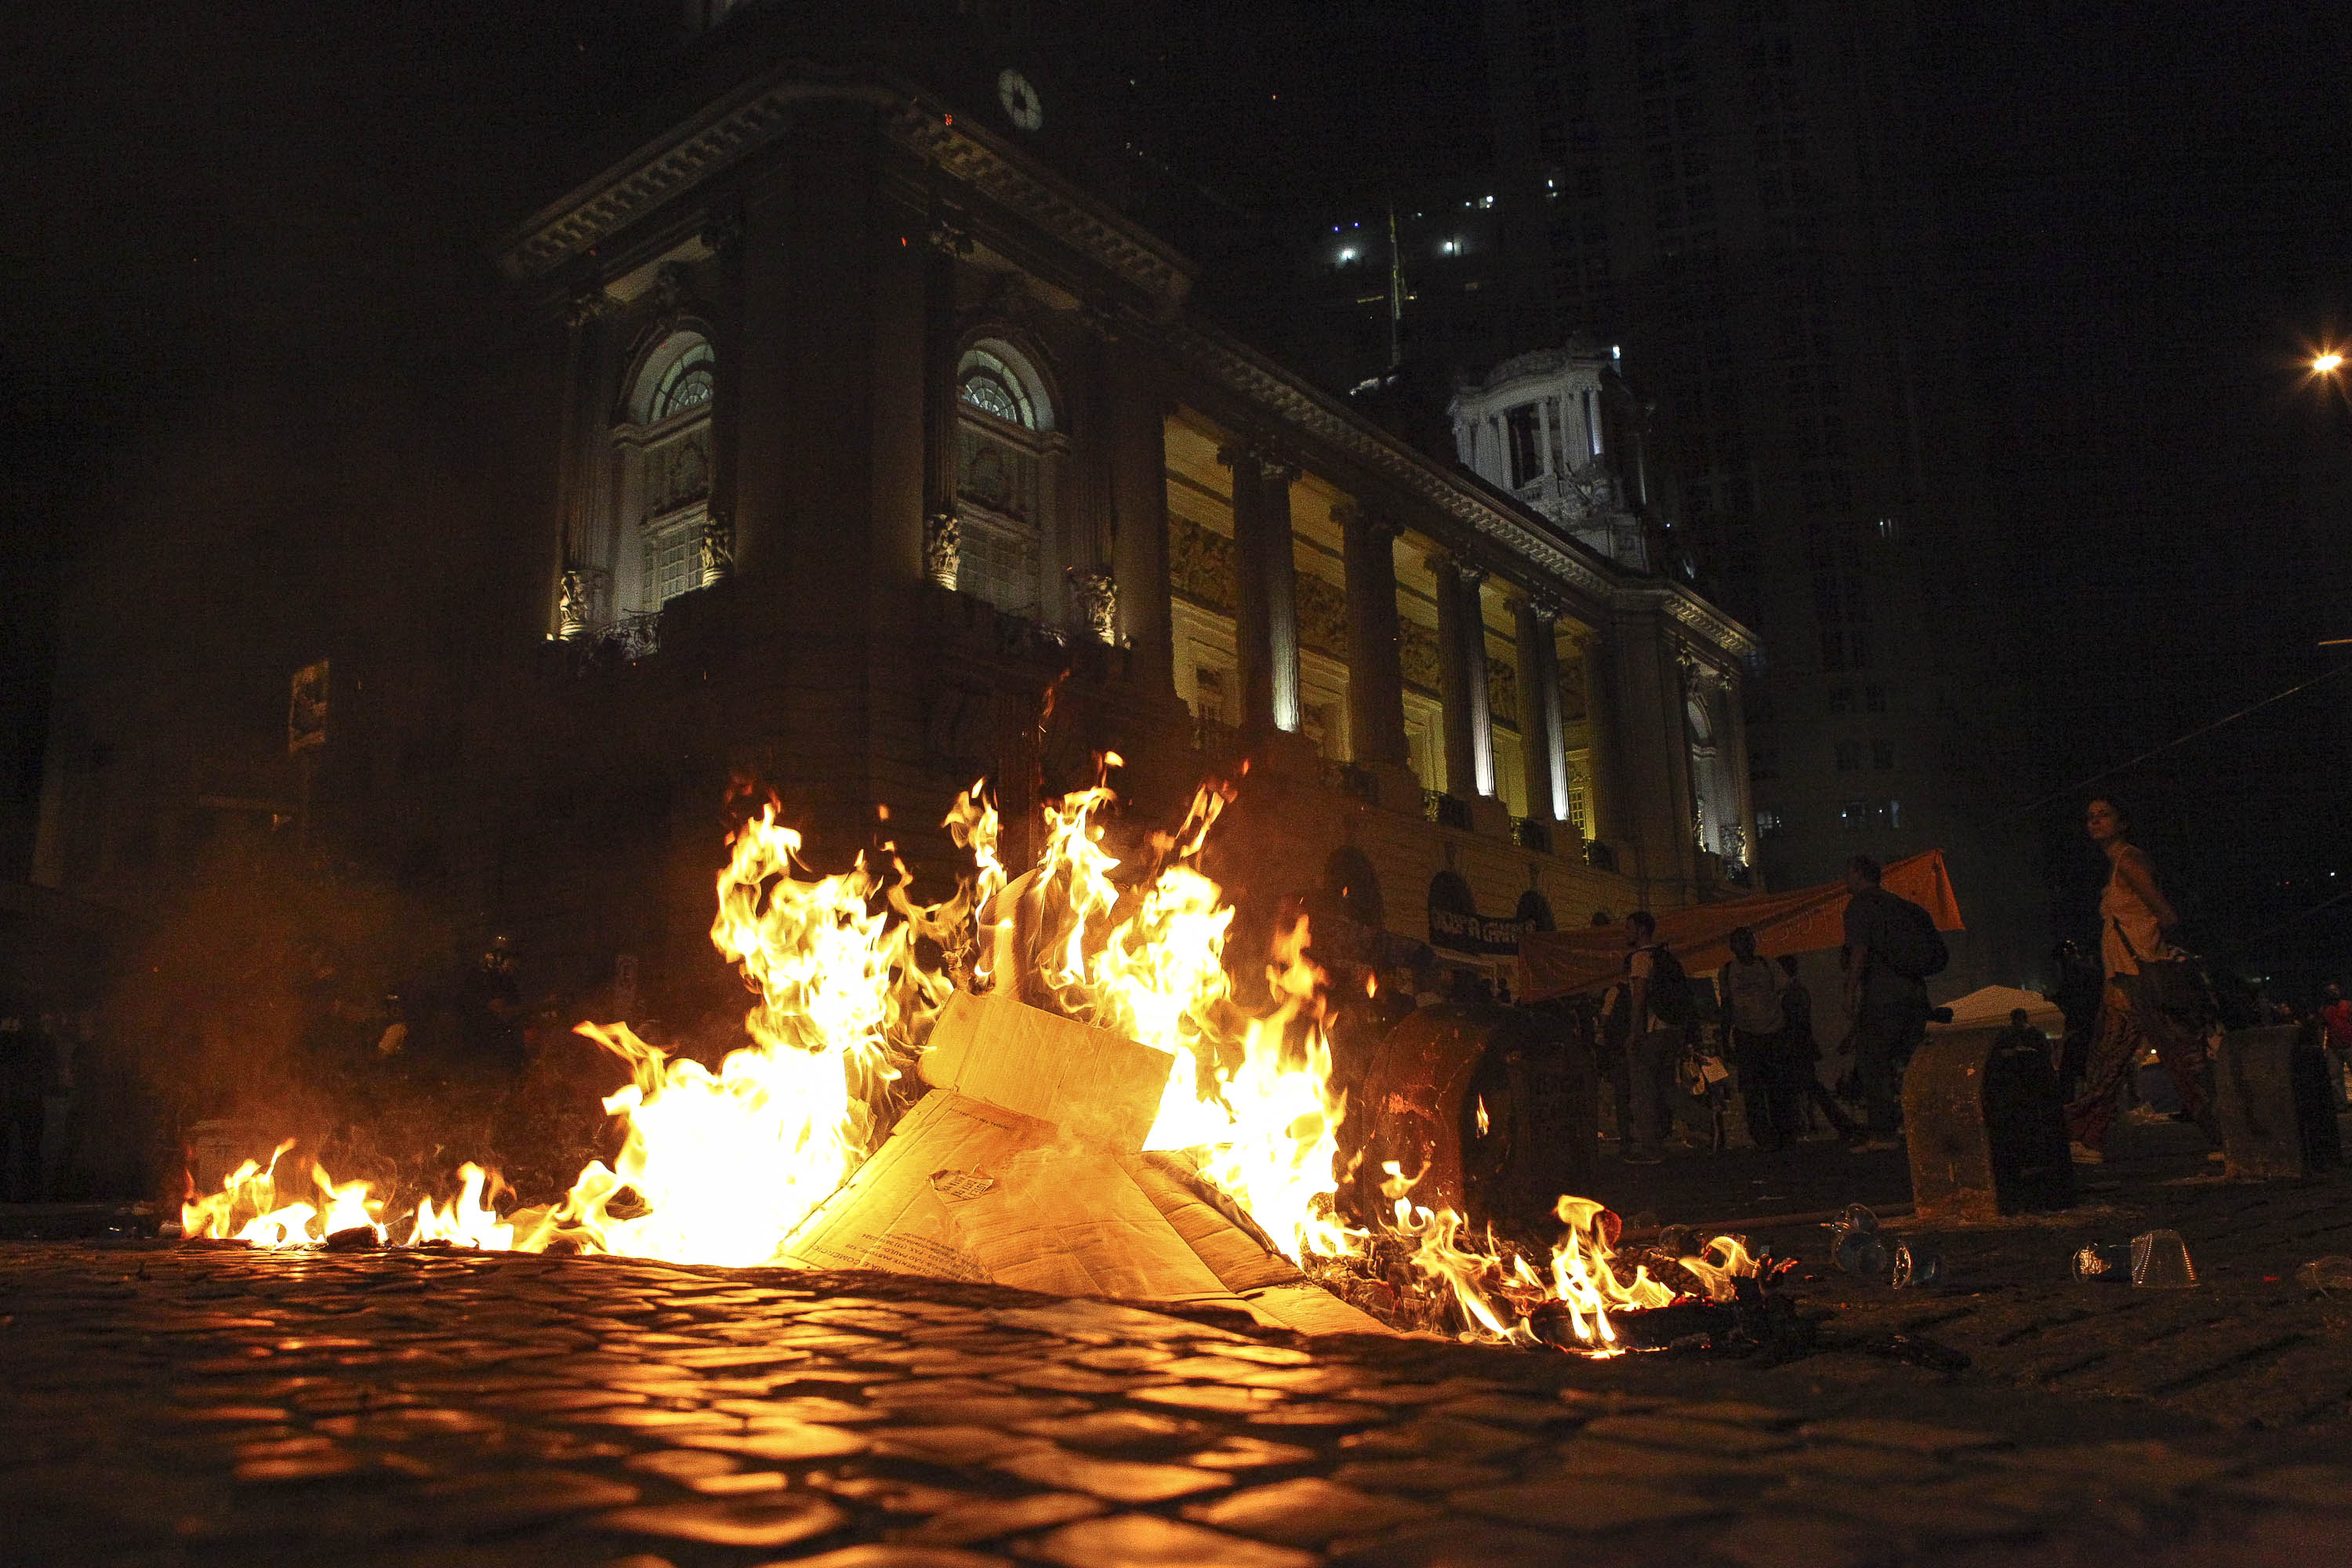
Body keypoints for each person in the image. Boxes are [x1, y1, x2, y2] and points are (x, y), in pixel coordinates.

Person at [2062, 797, 2220, 1163]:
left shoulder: (2129, 861)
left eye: (2104, 816)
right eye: (2090, 818)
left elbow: (2165, 913)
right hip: (2123, 980)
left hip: (2144, 977)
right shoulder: (2117, 863)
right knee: (2107, 1061)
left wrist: (2151, 950)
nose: (2095, 822)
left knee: (2184, 1061)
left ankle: (2228, 1136)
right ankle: (2089, 1139)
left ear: (2122, 823)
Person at [1839, 854, 1934, 1151]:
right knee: (1911, 1061)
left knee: (1873, 1062)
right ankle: (1923, 1124)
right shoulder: (1901, 906)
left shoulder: (1860, 906)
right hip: (1915, 993)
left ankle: (1883, 1133)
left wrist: (1851, 988)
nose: (1845, 879)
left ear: (1858, 874)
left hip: (1883, 996)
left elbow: (1860, 951)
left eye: (1848, 873)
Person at [1609, 910, 1692, 1165]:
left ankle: (1650, 1149)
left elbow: (1639, 999)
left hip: (1653, 1031)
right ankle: (1708, 1123)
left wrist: (1634, 1033)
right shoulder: (1665, 957)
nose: (1626, 933)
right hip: (1672, 1030)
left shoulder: (1641, 958)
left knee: (1643, 1091)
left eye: (1629, 928)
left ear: (1642, 930)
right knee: (1666, 1087)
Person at [1717, 926, 1797, 1151]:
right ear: (1733, 947)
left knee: (1777, 1086)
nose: (1745, 946)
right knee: (1753, 1089)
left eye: (1748, 941)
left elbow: (1786, 995)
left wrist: (1788, 1029)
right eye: (1740, 942)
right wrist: (1725, 1039)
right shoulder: (1728, 971)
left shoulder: (1768, 965)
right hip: (1747, 1034)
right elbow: (1726, 1006)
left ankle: (1783, 1132)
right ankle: (1763, 1135)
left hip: (1773, 1031)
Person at [1778, 955, 1860, 1144]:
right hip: (1801, 1048)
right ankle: (1839, 1124)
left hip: (1797, 1049)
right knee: (1812, 1089)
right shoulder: (1797, 991)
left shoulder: (1793, 993)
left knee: (1808, 1089)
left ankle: (1837, 1124)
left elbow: (1797, 1024)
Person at [2321, 983, 2352, 1109]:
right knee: (2335, 1078)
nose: (2334, 992)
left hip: (2350, 1044)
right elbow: (2322, 1028)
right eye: (2331, 991)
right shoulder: (2324, 1010)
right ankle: (2341, 1105)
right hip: (2333, 1047)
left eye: (2335, 989)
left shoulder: (2348, 1005)